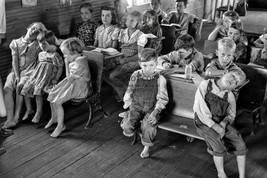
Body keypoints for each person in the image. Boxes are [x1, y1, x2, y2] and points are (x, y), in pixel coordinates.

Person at [193, 70, 247, 178]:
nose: (232, 80)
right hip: (203, 121)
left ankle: (242, 175)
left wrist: (222, 124)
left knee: (239, 142)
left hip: (220, 122)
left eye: (236, 82)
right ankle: (221, 173)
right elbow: (200, 108)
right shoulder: (206, 84)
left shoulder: (230, 95)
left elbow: (231, 115)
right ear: (224, 74)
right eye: (232, 75)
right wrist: (214, 126)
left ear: (235, 87)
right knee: (217, 143)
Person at [120, 48, 169, 158]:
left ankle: (146, 147)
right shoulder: (135, 75)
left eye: (151, 65)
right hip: (136, 106)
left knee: (148, 126)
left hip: (152, 108)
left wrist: (155, 113)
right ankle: (128, 118)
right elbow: (129, 91)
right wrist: (127, 105)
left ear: (156, 63)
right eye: (144, 65)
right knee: (127, 127)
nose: (148, 69)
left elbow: (162, 98)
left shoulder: (160, 79)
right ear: (139, 64)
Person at [2, 22, 47, 129]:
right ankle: (9, 118)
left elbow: (52, 40)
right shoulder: (16, 42)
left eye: (38, 30)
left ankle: (16, 117)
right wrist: (17, 76)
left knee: (20, 86)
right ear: (28, 27)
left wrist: (42, 31)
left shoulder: (38, 44)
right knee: (7, 89)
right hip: (15, 71)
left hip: (30, 71)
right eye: (33, 28)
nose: (35, 30)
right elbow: (15, 61)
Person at [45, 37, 92, 138]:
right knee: (52, 93)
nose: (64, 56)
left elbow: (69, 78)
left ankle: (61, 125)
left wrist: (66, 63)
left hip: (80, 88)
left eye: (65, 54)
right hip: (74, 83)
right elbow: (69, 77)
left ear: (74, 52)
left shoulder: (80, 63)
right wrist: (67, 62)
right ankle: (54, 118)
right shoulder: (78, 59)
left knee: (57, 101)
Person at [20, 31, 64, 123]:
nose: (41, 46)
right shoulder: (41, 54)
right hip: (38, 75)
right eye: (39, 43)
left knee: (38, 89)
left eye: (44, 43)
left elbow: (60, 68)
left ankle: (38, 112)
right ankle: (29, 109)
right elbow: (39, 67)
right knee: (26, 87)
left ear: (51, 42)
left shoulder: (55, 55)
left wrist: (55, 79)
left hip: (48, 77)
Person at [108, 10, 146, 101]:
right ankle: (123, 91)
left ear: (138, 23)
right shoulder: (121, 32)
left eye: (132, 20)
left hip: (134, 61)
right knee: (104, 72)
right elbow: (117, 48)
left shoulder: (141, 35)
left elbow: (140, 55)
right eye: (128, 19)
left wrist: (126, 60)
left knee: (112, 75)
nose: (129, 22)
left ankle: (127, 93)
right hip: (121, 59)